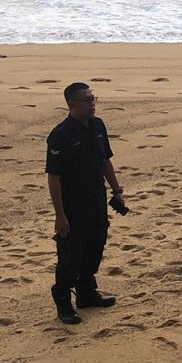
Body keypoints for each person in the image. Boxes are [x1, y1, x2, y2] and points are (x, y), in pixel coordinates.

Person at [45, 82, 125, 324]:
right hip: (73, 204)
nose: (92, 104)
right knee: (71, 253)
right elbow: (54, 177)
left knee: (95, 245)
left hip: (97, 198)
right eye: (87, 100)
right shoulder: (60, 135)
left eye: (93, 99)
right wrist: (60, 215)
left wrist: (117, 191)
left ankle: (87, 293)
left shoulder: (98, 126)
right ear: (71, 104)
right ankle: (63, 301)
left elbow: (105, 161)